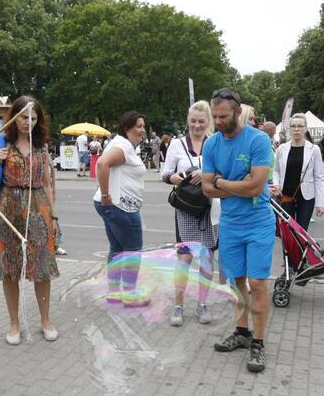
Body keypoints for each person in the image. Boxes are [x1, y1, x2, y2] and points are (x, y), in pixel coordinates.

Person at [0, 96, 60, 345]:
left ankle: (45, 320)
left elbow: (46, 182)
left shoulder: (42, 145)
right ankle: (14, 323)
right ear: (14, 116)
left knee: (42, 267)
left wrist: (53, 215)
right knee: (10, 269)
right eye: (24, 117)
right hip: (6, 208)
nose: (28, 123)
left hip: (38, 208)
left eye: (33, 118)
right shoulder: (1, 140)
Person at [201, 88, 274, 373]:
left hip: (258, 222)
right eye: (215, 116)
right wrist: (234, 185)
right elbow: (206, 187)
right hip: (230, 224)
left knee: (257, 284)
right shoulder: (211, 145)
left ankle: (258, 341)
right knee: (235, 282)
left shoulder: (258, 140)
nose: (218, 121)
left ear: (238, 111)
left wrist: (222, 183)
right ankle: (241, 333)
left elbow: (257, 186)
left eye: (224, 116)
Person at [161, 101, 219, 326]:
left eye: (201, 121)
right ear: (188, 121)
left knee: (207, 257)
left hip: (210, 208)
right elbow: (165, 174)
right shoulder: (176, 144)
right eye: (193, 121)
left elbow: (223, 170)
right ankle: (178, 305)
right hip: (186, 209)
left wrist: (205, 173)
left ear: (208, 122)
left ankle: (202, 305)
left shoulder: (215, 143)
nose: (196, 125)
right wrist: (175, 178)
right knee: (184, 258)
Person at [92, 111, 148, 308]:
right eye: (139, 126)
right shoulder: (123, 146)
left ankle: (115, 292)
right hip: (121, 207)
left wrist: (103, 190)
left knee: (117, 248)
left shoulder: (121, 144)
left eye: (143, 126)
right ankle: (130, 295)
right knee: (133, 250)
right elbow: (102, 164)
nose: (143, 130)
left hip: (113, 206)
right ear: (127, 128)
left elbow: (108, 168)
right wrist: (106, 193)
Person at [271, 113, 324, 231]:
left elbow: (319, 177)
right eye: (293, 126)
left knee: (301, 233)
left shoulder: (314, 149)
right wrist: (276, 184)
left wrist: (320, 203)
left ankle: (301, 250)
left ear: (305, 128)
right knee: (288, 233)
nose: (296, 129)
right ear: (289, 128)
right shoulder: (282, 148)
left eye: (300, 126)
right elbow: (276, 171)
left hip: (306, 198)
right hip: (285, 197)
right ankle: (289, 251)